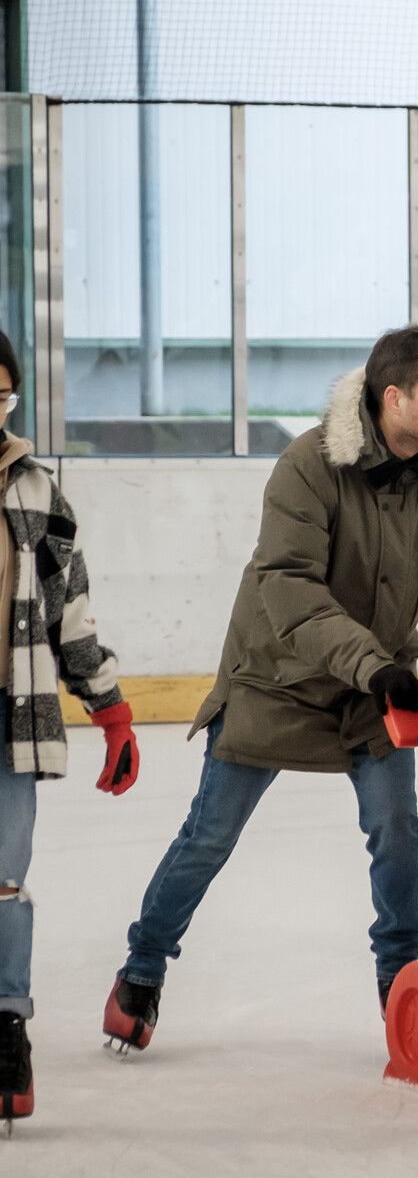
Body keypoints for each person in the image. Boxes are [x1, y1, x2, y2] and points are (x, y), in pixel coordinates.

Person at [105, 324, 418, 1054]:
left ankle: (400, 988)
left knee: (397, 834)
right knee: (209, 838)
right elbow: (289, 589)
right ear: (395, 398)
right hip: (277, 677)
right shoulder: (309, 467)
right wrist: (372, 663)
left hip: (374, 686)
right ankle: (142, 968)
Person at [0, 334, 141, 1133]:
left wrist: (110, 706)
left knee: (3, 882)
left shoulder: (37, 491)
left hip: (8, 713)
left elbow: (68, 611)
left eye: (2, 396)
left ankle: (5, 1028)